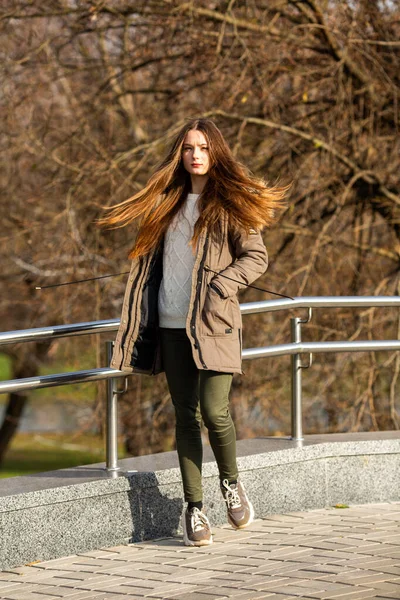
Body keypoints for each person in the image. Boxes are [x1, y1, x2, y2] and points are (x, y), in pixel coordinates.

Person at [97, 117, 287, 547]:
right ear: (180, 154)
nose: (195, 155)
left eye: (202, 147)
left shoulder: (229, 204)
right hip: (168, 323)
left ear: (215, 152)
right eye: (188, 148)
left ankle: (231, 483)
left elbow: (256, 257)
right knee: (185, 417)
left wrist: (223, 282)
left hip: (213, 323)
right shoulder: (166, 203)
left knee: (214, 411)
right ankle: (195, 508)